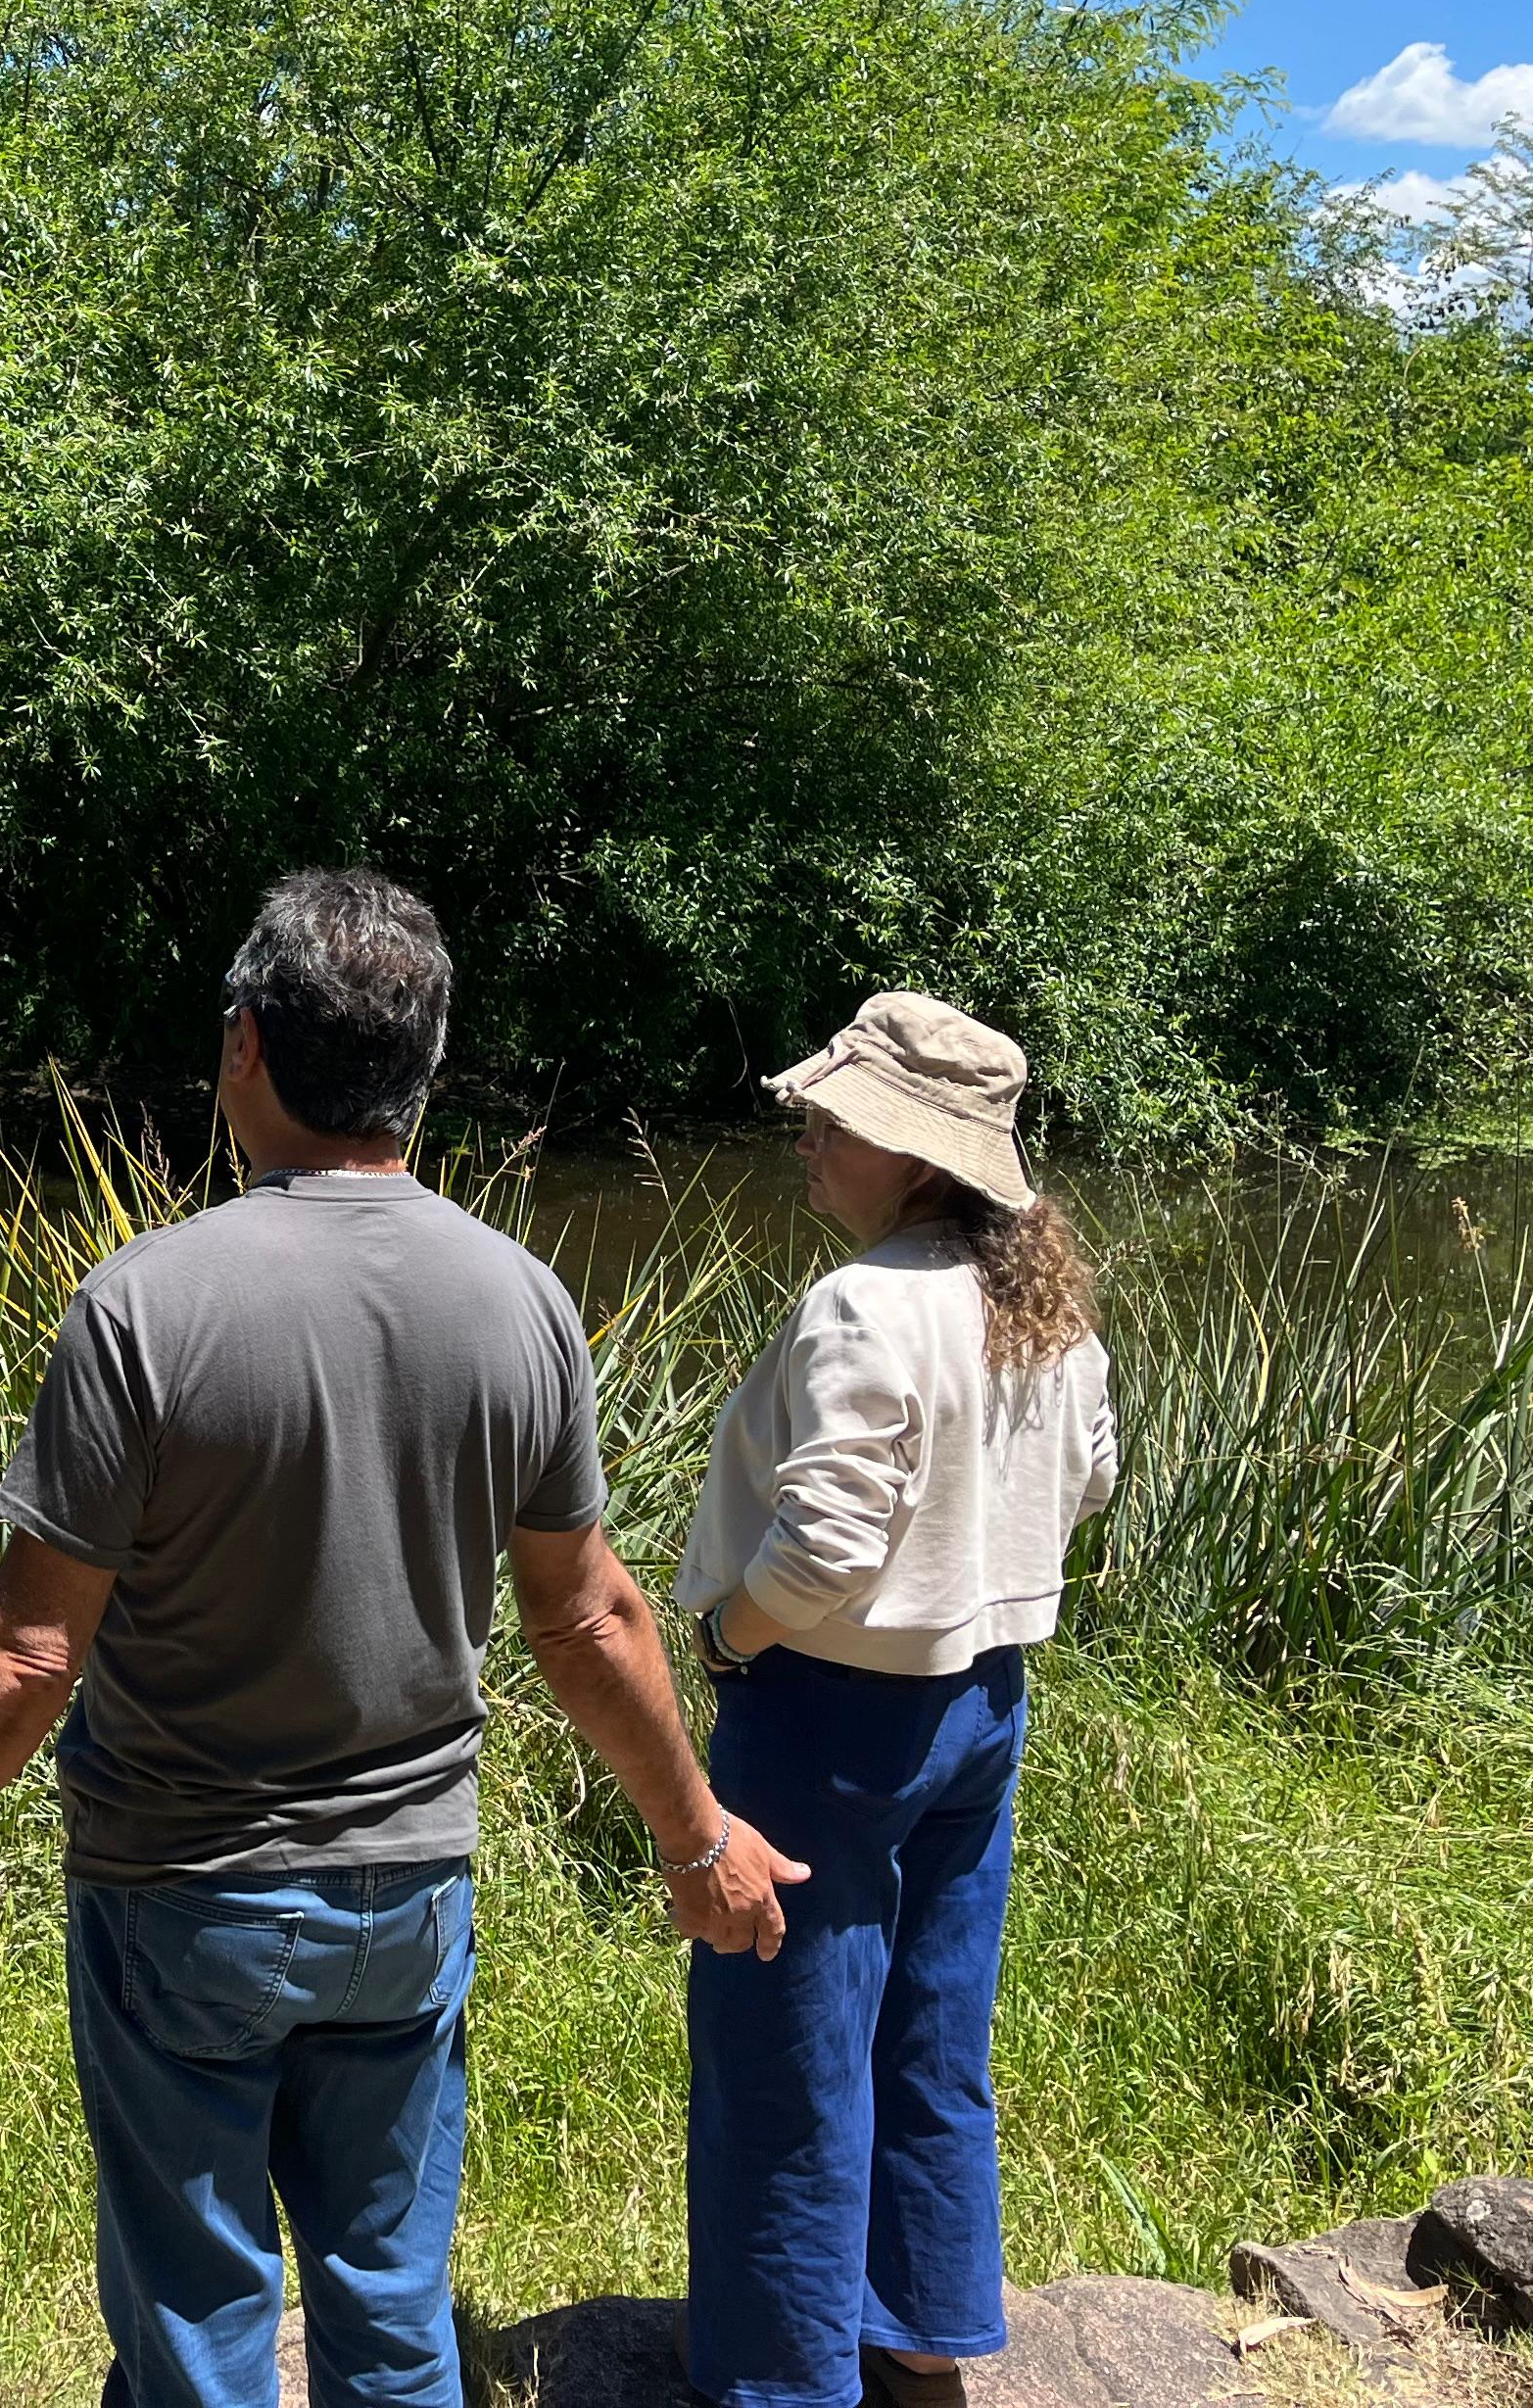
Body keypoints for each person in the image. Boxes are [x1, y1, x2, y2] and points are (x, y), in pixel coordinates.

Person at [0, 867, 802, 2408]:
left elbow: (30, 1656)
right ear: (423, 1073)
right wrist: (697, 1836)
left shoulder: (143, 1308)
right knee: (392, 2306)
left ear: (247, 1046)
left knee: (198, 2319)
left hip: (185, 1897)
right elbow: (588, 1621)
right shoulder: (521, 1304)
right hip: (408, 1903)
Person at [674, 992, 1118, 2408]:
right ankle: (922, 2347)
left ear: (915, 1154)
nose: (808, 1134)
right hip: (984, 1703)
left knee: (787, 2066)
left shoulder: (865, 1301)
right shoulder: (1034, 1299)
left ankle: (784, 2382)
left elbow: (828, 1544)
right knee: (932, 2036)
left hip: (828, 1717)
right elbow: (1090, 1478)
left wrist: (734, 1638)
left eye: (838, 1119)